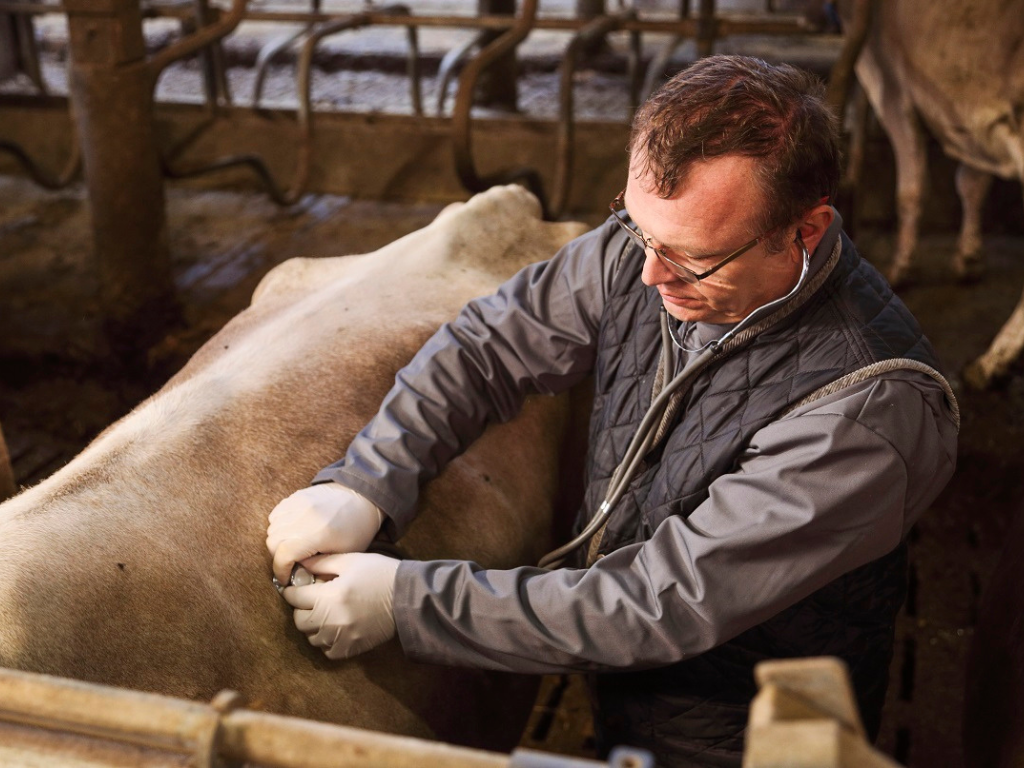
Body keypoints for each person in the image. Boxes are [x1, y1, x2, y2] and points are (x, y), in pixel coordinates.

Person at [265, 55, 958, 767]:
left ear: (805, 232)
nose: (651, 274)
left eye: (693, 258)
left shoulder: (866, 409)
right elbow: (488, 348)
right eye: (638, 230)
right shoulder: (651, 251)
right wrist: (370, 480)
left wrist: (411, 602)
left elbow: (665, 602)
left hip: (743, 727)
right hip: (625, 685)